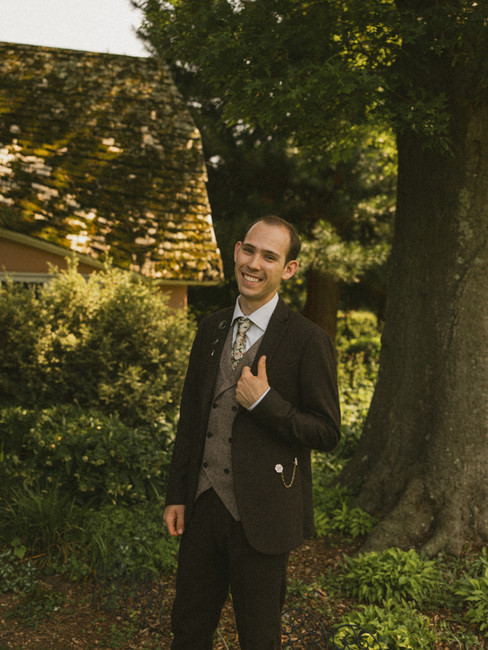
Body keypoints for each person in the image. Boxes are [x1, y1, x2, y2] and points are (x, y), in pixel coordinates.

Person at [163, 215, 341, 649]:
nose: (254, 263)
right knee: (187, 630)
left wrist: (266, 403)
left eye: (270, 256)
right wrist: (177, 494)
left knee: (258, 639)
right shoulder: (211, 327)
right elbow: (191, 420)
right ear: (237, 250)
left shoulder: (307, 340)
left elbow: (326, 432)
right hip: (203, 505)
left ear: (289, 269)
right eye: (249, 250)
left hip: (263, 516)